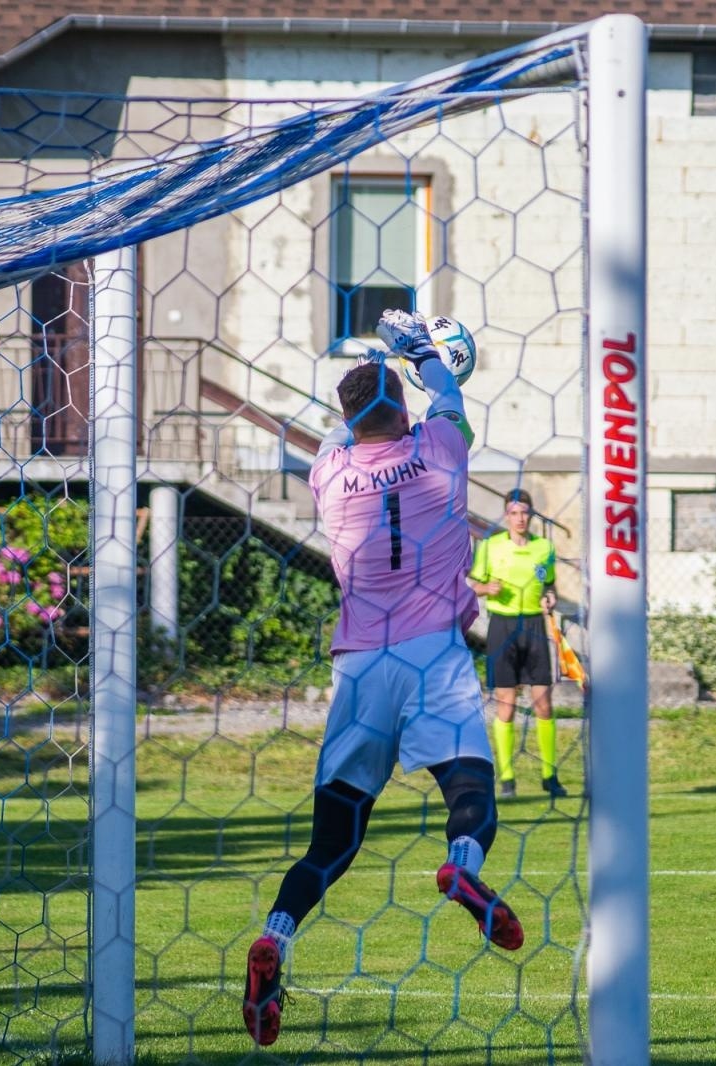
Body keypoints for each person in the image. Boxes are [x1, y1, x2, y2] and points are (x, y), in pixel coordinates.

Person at [242, 311, 523, 1047]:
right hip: (434, 651)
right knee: (469, 788)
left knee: (332, 838)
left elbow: (346, 428)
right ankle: (463, 867)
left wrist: (377, 372)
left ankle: (278, 935)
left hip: (362, 666)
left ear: (347, 418)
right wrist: (422, 354)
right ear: (403, 410)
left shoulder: (329, 471)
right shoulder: (440, 449)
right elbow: (449, 396)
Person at [468, 489, 568, 799]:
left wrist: (549, 596)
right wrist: (487, 587)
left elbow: (548, 581)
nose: (520, 518)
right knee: (506, 705)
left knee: (543, 703)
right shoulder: (490, 546)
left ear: (532, 515)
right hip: (502, 626)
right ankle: (507, 778)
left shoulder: (544, 548)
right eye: (514, 513)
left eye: (524, 512)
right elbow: (473, 584)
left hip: (534, 626)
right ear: (506, 516)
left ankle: (550, 776)